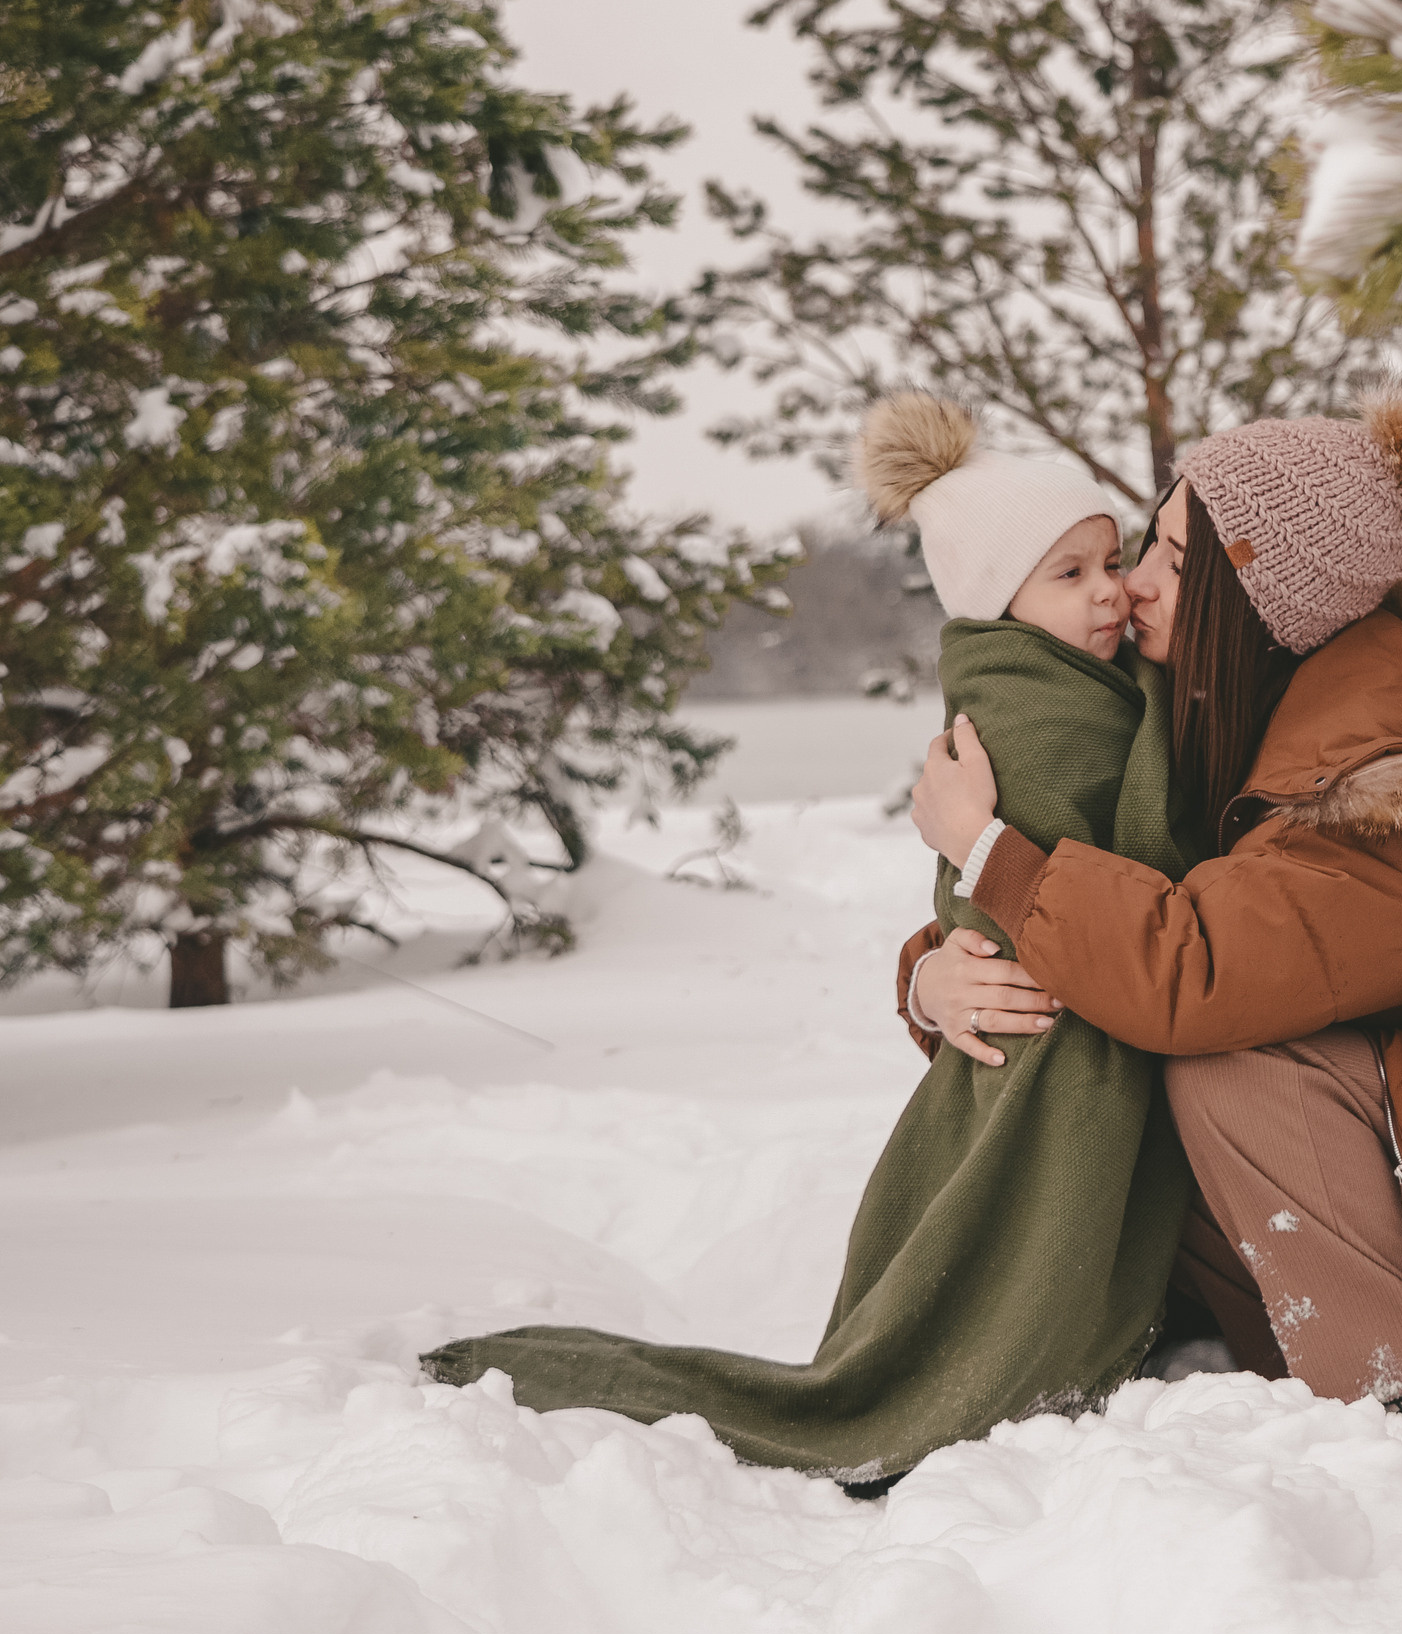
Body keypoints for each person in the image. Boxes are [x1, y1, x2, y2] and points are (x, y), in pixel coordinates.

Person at [423, 394, 1209, 1485]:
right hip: (1046, 1036)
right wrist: (933, 972)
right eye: (1069, 574)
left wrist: (933, 969)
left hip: (1070, 1003)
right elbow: (1109, 878)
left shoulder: (1095, 691)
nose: (1111, 589)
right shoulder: (1030, 715)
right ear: (998, 603)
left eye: (1112, 560)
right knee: (996, 1284)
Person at [905, 383, 1402, 1405]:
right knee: (1136, 1088)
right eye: (1144, 547)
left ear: (1262, 605)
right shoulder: (1224, 715)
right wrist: (935, 978)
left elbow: (1193, 973)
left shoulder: (1374, 783)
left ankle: (1401, 1388)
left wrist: (992, 854)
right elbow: (1122, 901)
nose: (1135, 586)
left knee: (1227, 1065)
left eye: (1175, 561)